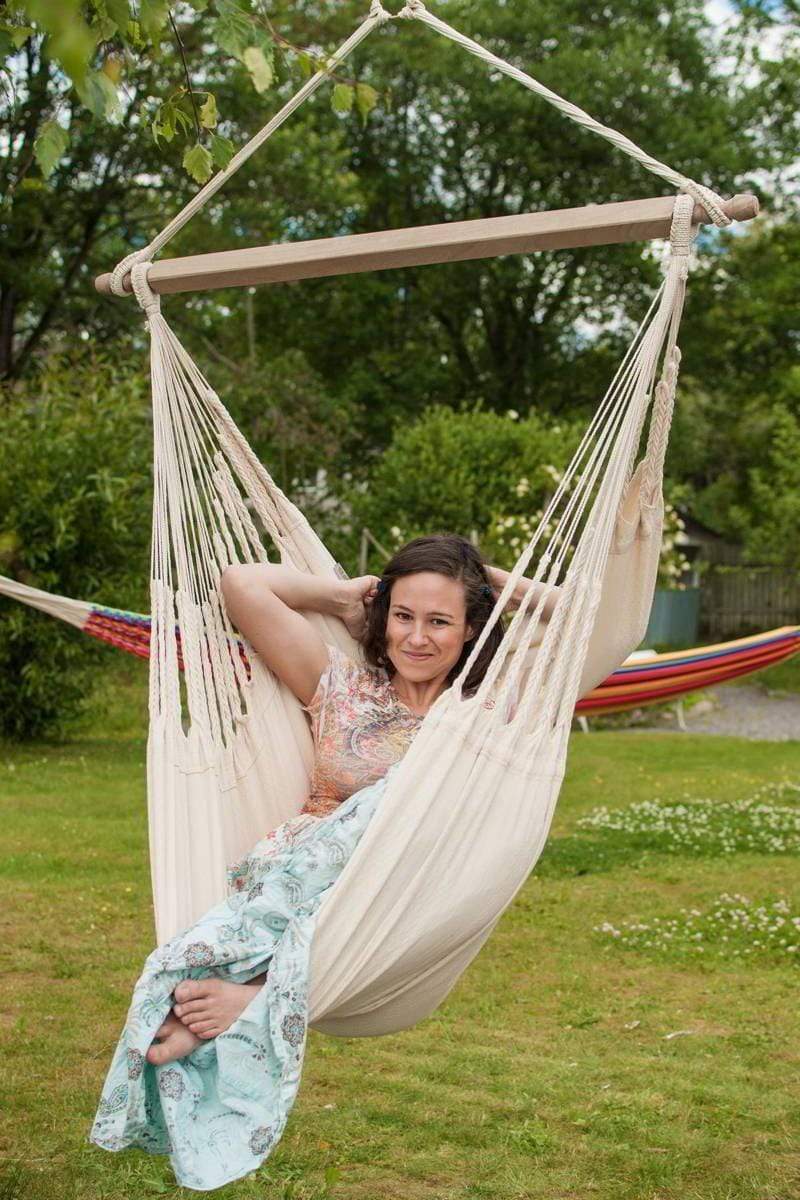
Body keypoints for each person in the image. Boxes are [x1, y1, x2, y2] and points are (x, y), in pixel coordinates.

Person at [89, 533, 559, 1188]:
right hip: (293, 876)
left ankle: (254, 997)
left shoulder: (484, 714)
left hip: (387, 894)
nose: (416, 637)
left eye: (439, 621)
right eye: (403, 615)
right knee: (176, 973)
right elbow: (241, 585)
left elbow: (578, 620)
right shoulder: (342, 688)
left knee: (393, 806)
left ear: (471, 628)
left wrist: (486, 578)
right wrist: (341, 597)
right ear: (382, 615)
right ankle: (251, 991)